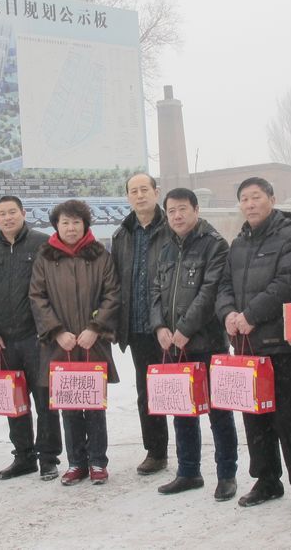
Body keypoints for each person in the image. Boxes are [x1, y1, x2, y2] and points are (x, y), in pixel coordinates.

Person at [215, 177, 291, 511]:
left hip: (280, 343)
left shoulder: (290, 236)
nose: (250, 204)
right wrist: (228, 313)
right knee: (255, 419)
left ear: (272, 199)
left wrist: (251, 314)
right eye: (244, 199)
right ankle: (266, 480)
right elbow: (224, 285)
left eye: (256, 197)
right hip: (247, 347)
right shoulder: (238, 243)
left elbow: (289, 282)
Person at [149, 188, 238, 501]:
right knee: (182, 410)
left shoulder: (215, 245)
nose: (177, 216)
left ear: (196, 210)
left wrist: (185, 328)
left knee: (219, 412)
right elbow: (155, 292)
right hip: (174, 345)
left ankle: (226, 475)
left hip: (207, 342)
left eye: (182, 209)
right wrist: (159, 326)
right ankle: (188, 472)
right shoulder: (166, 249)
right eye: (171, 211)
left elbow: (210, 291)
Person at [29, 200, 120, 486]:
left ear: (85, 225)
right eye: (65, 222)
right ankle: (76, 462)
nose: (71, 228)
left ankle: (98, 461)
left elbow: (112, 294)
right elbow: (37, 297)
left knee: (94, 405)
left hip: (93, 343)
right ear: (56, 226)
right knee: (68, 405)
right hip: (61, 344)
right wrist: (57, 331)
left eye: (76, 222)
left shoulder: (100, 255)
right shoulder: (45, 256)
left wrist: (95, 328)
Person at [0, 196, 61, 481]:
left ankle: (48, 457)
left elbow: (53, 288)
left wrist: (49, 328)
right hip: (5, 341)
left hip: (37, 338)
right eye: (2, 213)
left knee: (44, 400)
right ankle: (24, 456)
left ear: (23, 213)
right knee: (14, 401)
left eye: (12, 212)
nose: (8, 217)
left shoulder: (42, 243)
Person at [111, 173, 171, 475]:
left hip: (170, 327)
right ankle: (156, 452)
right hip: (137, 327)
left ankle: (190, 455)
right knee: (147, 393)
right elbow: (114, 281)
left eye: (144, 189)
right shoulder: (122, 235)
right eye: (133, 191)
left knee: (179, 388)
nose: (139, 195)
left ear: (156, 192)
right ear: (127, 197)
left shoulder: (172, 227)